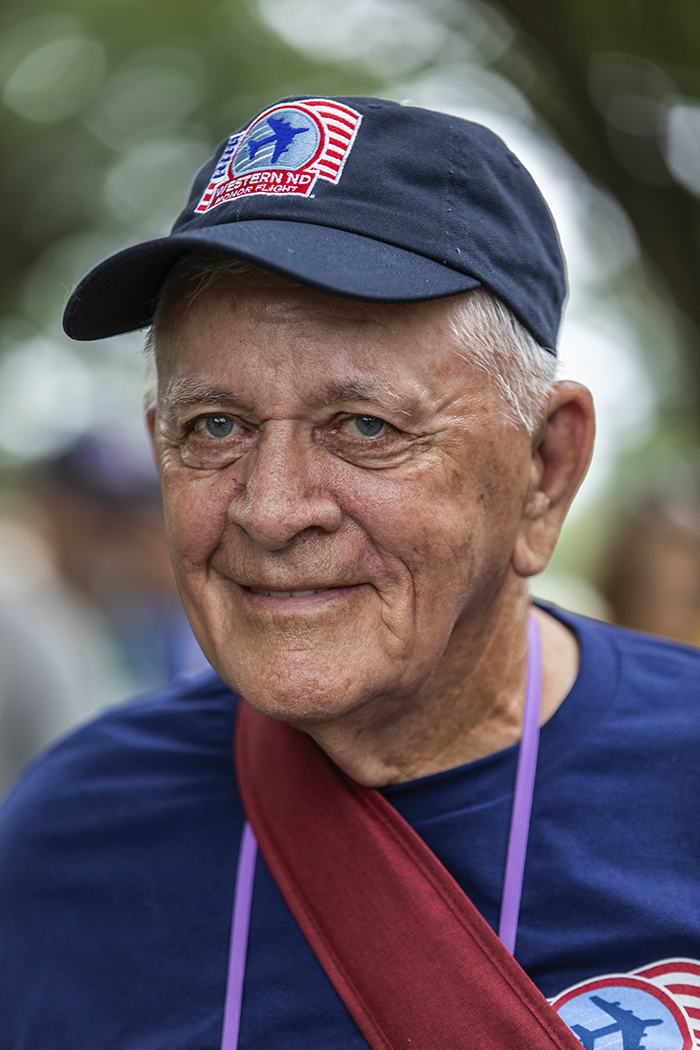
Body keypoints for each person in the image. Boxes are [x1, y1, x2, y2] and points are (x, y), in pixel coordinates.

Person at [1, 95, 699, 1050]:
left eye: (365, 427)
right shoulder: (70, 834)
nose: (273, 510)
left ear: (545, 471)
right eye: (215, 427)